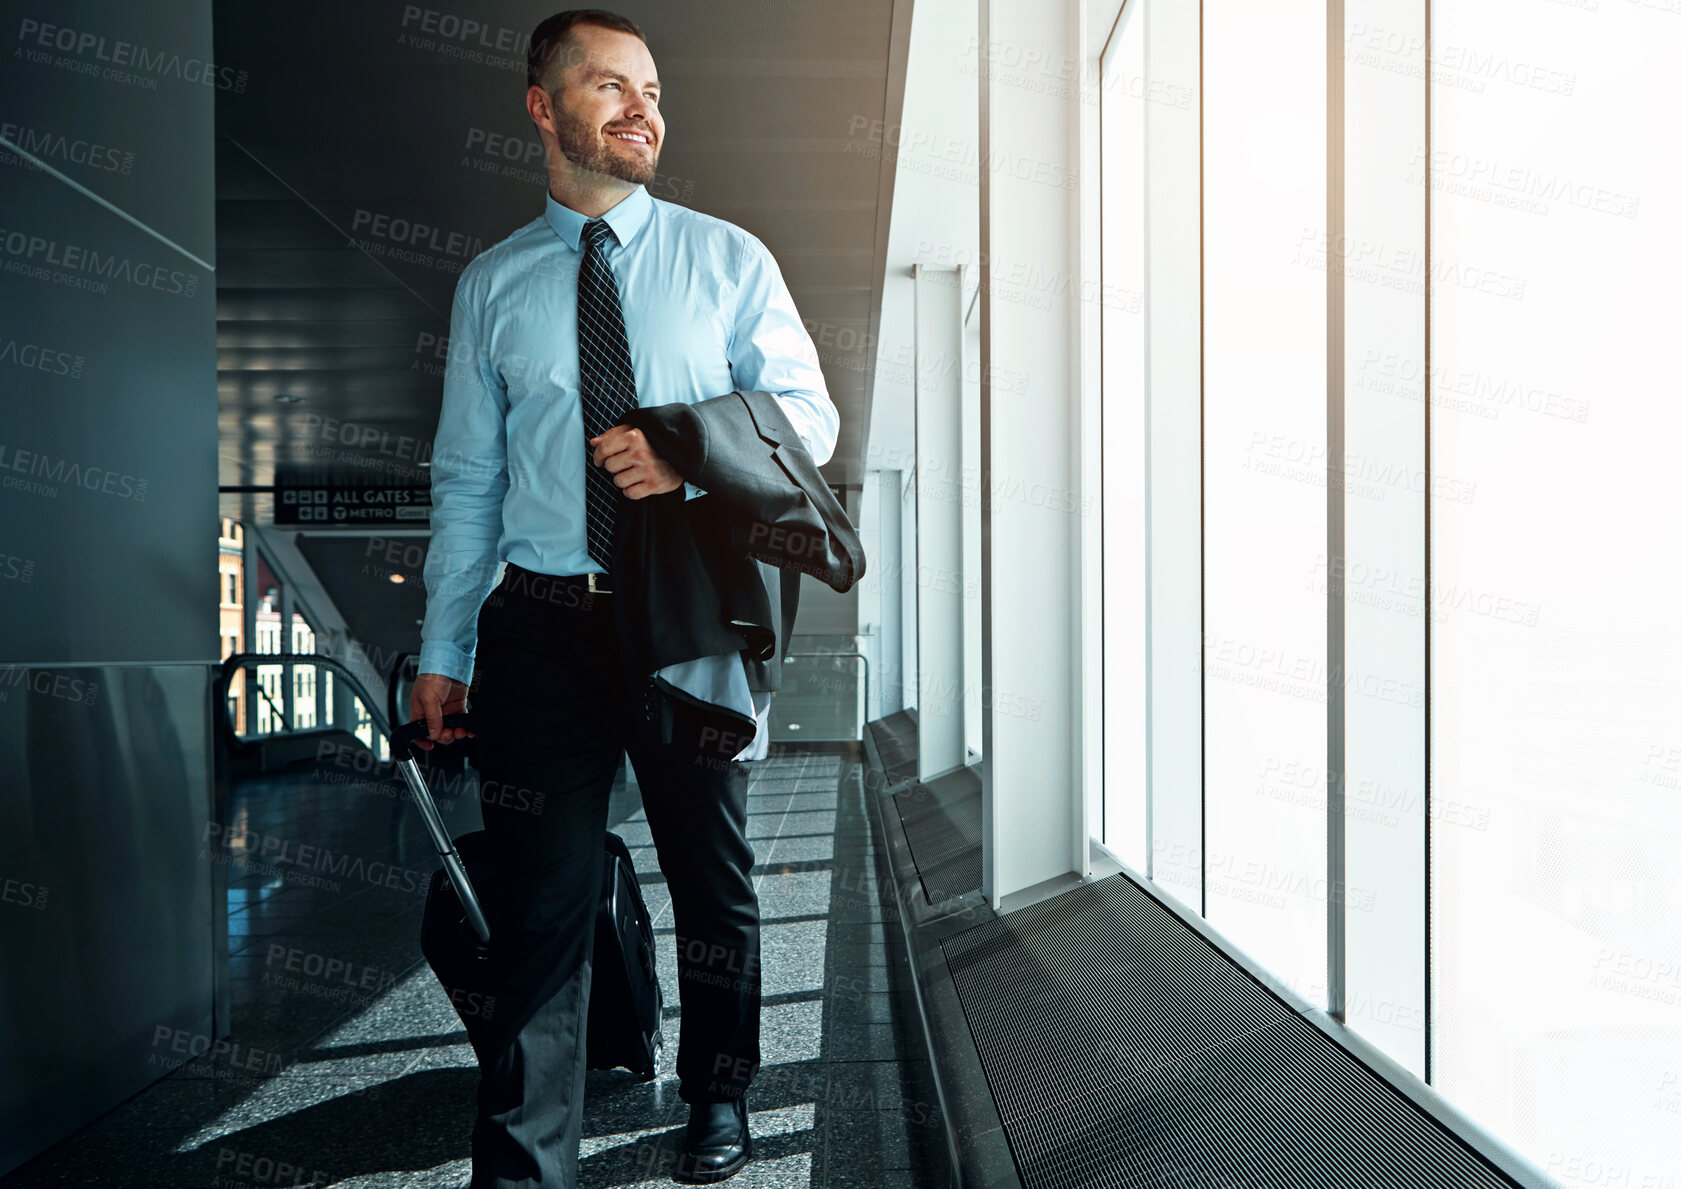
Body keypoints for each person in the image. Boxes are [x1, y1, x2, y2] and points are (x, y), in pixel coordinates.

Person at [408, 9, 838, 1187]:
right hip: (541, 624)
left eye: (651, 87)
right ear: (542, 108)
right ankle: (523, 1161)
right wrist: (444, 647)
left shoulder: (726, 259)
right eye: (609, 85)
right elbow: (467, 481)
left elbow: (808, 416)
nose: (643, 106)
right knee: (539, 901)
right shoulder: (493, 286)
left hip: (688, 614)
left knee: (710, 875)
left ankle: (719, 1096)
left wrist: (689, 451)